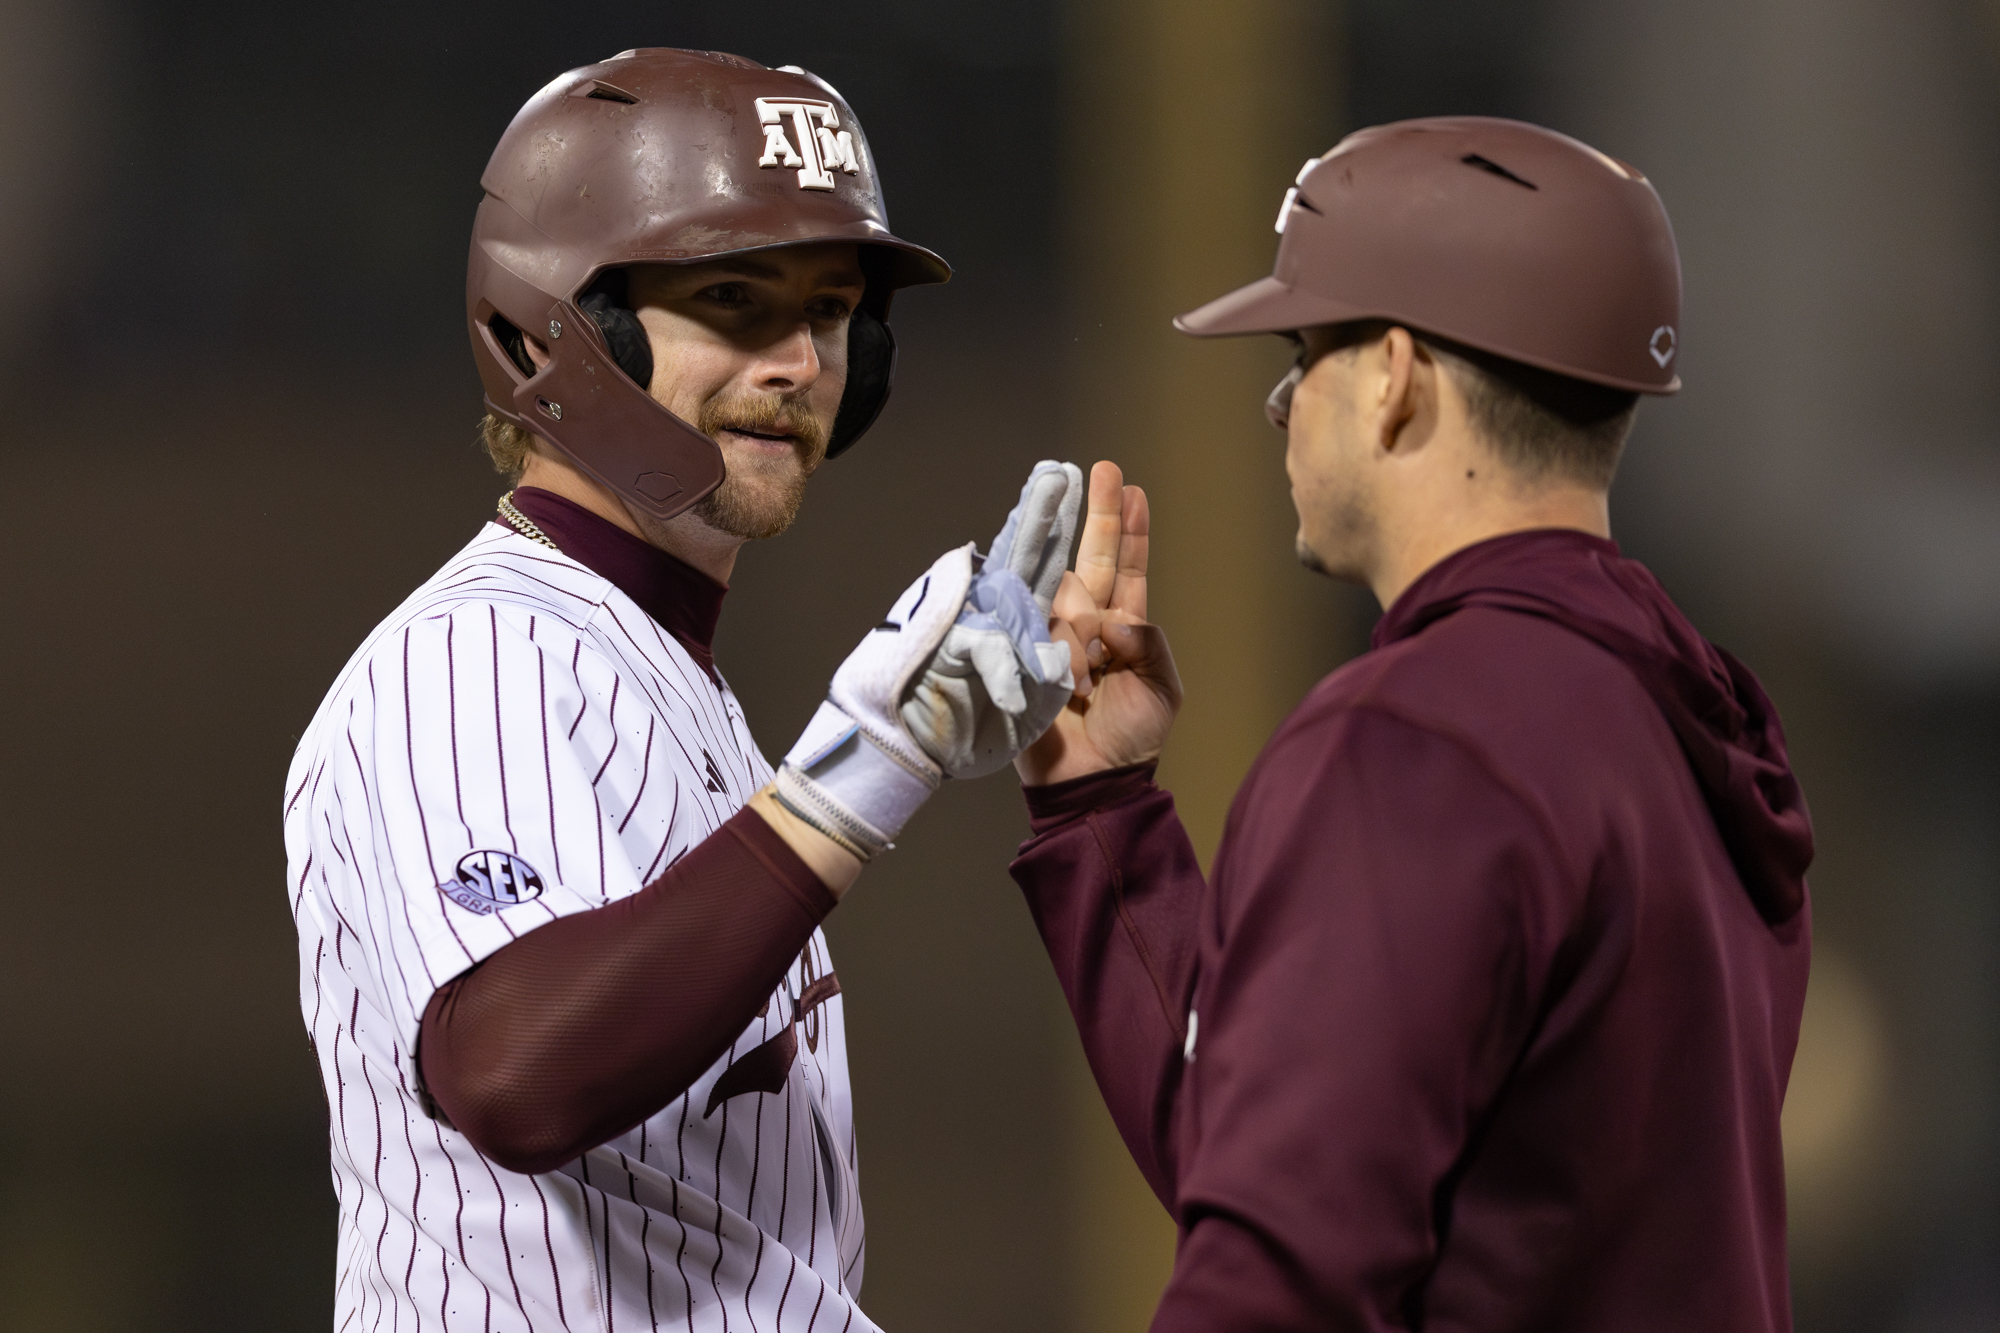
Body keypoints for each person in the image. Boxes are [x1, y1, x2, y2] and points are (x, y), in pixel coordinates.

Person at [284, 48, 1080, 1330]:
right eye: (730, 297)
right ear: (565, 326)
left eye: (828, 313)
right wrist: (866, 765)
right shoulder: (479, 654)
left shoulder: (661, 675)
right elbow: (513, 1072)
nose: (798, 363)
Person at [1015, 117, 1816, 1330]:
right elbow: (1302, 1163)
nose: (1281, 406)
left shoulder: (1418, 735)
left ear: (1395, 375)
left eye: (1301, 351)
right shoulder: (1674, 721)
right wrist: (1101, 813)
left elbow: (1276, 1281)